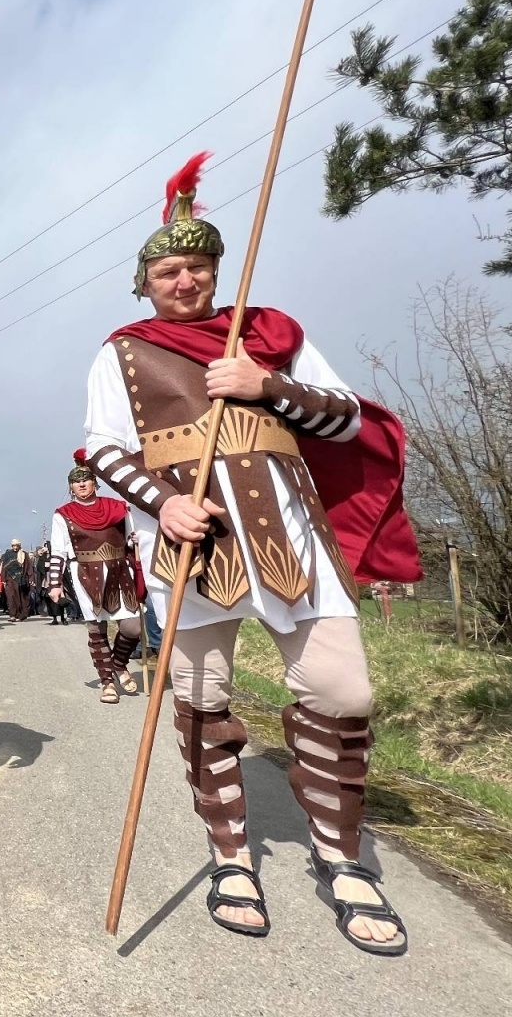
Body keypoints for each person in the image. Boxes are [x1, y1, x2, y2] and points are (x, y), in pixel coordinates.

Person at [83, 154, 420, 955]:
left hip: (290, 538)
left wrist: (267, 386)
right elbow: (100, 447)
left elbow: (344, 419)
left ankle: (343, 862)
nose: (184, 281)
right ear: (146, 282)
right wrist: (162, 501)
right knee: (201, 700)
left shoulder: (266, 335)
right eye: (168, 270)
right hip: (193, 550)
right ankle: (231, 856)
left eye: (196, 267)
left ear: (214, 270)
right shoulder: (122, 353)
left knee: (342, 692)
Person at [48, 451, 144, 703]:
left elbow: (134, 539)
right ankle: (107, 682)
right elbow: (57, 552)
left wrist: (136, 542)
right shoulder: (63, 514)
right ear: (71, 486)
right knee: (97, 628)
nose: (81, 484)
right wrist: (55, 583)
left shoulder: (117, 508)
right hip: (86, 574)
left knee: (132, 627)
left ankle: (119, 664)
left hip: (119, 571)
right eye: (76, 481)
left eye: (86, 480)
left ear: (95, 482)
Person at [0, 539, 31, 621]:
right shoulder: (7, 554)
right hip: (9, 579)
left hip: (21, 579)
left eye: (16, 545)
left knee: (21, 598)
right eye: (13, 545)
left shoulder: (24, 554)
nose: (15, 547)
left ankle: (21, 615)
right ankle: (12, 615)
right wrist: (3, 579)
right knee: (11, 597)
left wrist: (31, 578)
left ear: (19, 546)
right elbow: (4, 568)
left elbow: (29, 567)